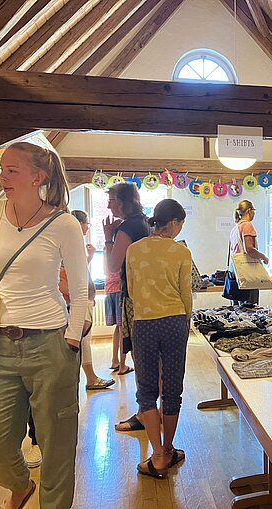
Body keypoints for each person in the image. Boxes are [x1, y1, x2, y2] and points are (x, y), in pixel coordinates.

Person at [0, 142, 87, 509]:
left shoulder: (64, 223)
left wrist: (71, 340)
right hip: (0, 345)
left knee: (57, 446)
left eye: (11, 170)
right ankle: (20, 485)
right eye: (1, 169)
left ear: (38, 177)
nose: (1, 177)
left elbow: (80, 288)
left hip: (51, 344)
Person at [126, 199, 191, 478]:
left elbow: (131, 290)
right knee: (172, 389)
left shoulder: (134, 249)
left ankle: (157, 456)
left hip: (144, 323)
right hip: (175, 321)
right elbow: (186, 294)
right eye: (181, 224)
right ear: (174, 223)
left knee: (146, 391)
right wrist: (186, 320)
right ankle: (169, 448)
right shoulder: (181, 251)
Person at [103, 183, 150, 432]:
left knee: (140, 357)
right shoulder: (144, 222)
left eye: (111, 200)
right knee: (149, 358)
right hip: (149, 294)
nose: (109, 205)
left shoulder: (126, 228)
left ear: (122, 202)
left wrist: (108, 238)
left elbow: (112, 266)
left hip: (133, 298)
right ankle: (150, 411)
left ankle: (144, 414)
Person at [67, 210, 114, 391]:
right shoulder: (72, 243)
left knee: (85, 339)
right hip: (79, 298)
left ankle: (90, 377)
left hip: (83, 297)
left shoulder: (75, 243)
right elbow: (74, 273)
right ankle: (90, 378)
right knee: (83, 339)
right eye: (87, 223)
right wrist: (90, 258)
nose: (88, 227)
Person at [223, 200, 269, 306]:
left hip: (235, 271)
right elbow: (249, 249)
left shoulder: (235, 228)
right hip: (247, 273)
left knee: (237, 309)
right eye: (253, 211)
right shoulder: (247, 225)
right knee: (249, 308)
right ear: (249, 211)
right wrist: (263, 257)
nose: (254, 214)